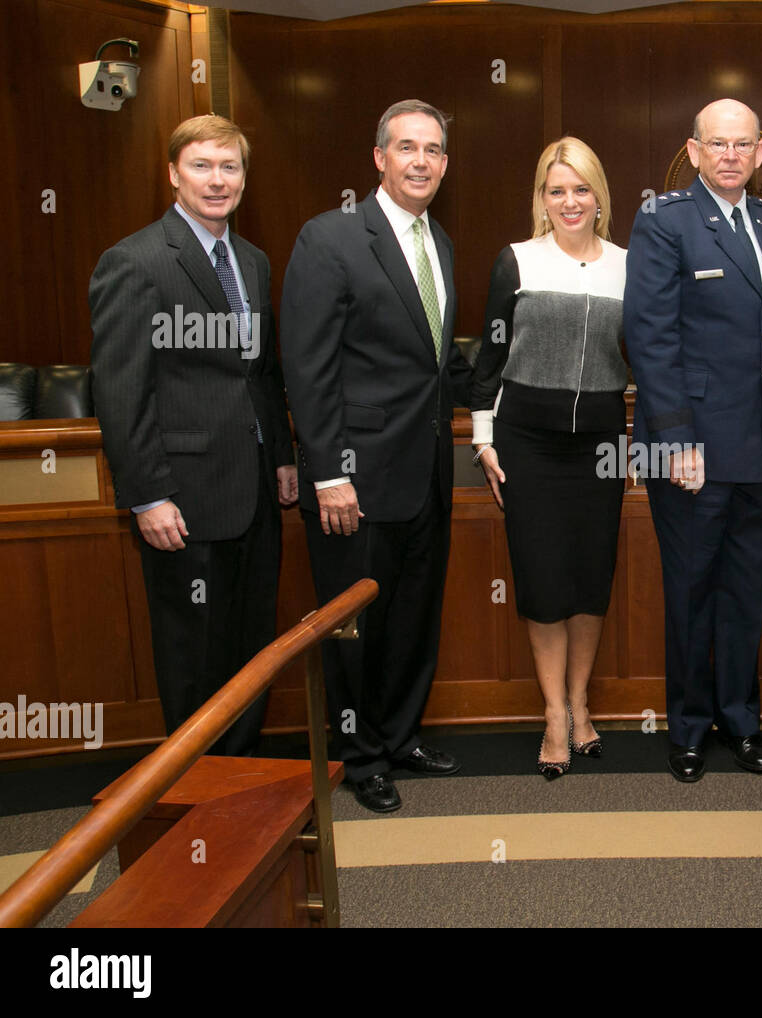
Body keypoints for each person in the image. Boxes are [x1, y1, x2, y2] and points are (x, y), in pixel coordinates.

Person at [279, 99, 471, 813]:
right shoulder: (328, 239)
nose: (421, 160)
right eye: (407, 147)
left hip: (425, 474)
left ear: (445, 164)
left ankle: (399, 736)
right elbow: (308, 366)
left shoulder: (440, 244)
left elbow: (434, 364)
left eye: (433, 149)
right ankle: (360, 757)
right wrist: (327, 472)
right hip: (352, 480)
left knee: (413, 617)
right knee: (355, 626)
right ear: (379, 158)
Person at [89, 114, 297, 756]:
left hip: (257, 491)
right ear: (174, 173)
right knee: (193, 650)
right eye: (202, 166)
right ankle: (195, 786)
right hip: (184, 497)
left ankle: (240, 774)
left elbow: (260, 373)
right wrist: (147, 495)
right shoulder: (136, 261)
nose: (217, 180)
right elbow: (121, 392)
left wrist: (284, 458)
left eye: (229, 167)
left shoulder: (254, 262)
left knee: (251, 644)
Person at [624, 98, 762, 783]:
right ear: (693, 151)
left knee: (745, 592)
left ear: (759, 155)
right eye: (716, 144)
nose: (730, 154)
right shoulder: (664, 221)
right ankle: (690, 726)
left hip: (759, 447)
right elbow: (650, 336)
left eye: (742, 144)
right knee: (693, 590)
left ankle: (742, 720)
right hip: (691, 448)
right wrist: (675, 438)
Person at [470, 138, 628, 779]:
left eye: (581, 188)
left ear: (599, 197)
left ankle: (582, 705)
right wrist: (484, 439)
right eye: (556, 189)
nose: (570, 201)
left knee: (590, 582)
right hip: (526, 445)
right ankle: (552, 712)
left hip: (601, 445)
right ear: (541, 198)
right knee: (542, 586)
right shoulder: (516, 262)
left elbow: (646, 355)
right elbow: (488, 359)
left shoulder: (627, 265)